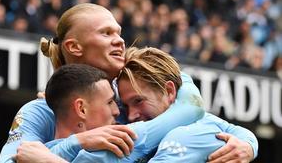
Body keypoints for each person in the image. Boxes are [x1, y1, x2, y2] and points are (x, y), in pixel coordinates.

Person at [0, 3, 255, 163]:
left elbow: (195, 108)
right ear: (74, 46)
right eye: (106, 33)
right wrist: (80, 141)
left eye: (119, 33)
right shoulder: (41, 109)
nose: (119, 41)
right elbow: (15, 158)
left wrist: (247, 145)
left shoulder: (134, 91)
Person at [15, 47, 258, 163]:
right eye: (123, 104)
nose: (130, 115)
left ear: (171, 91)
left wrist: (248, 144)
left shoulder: (190, 135)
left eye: (138, 101)